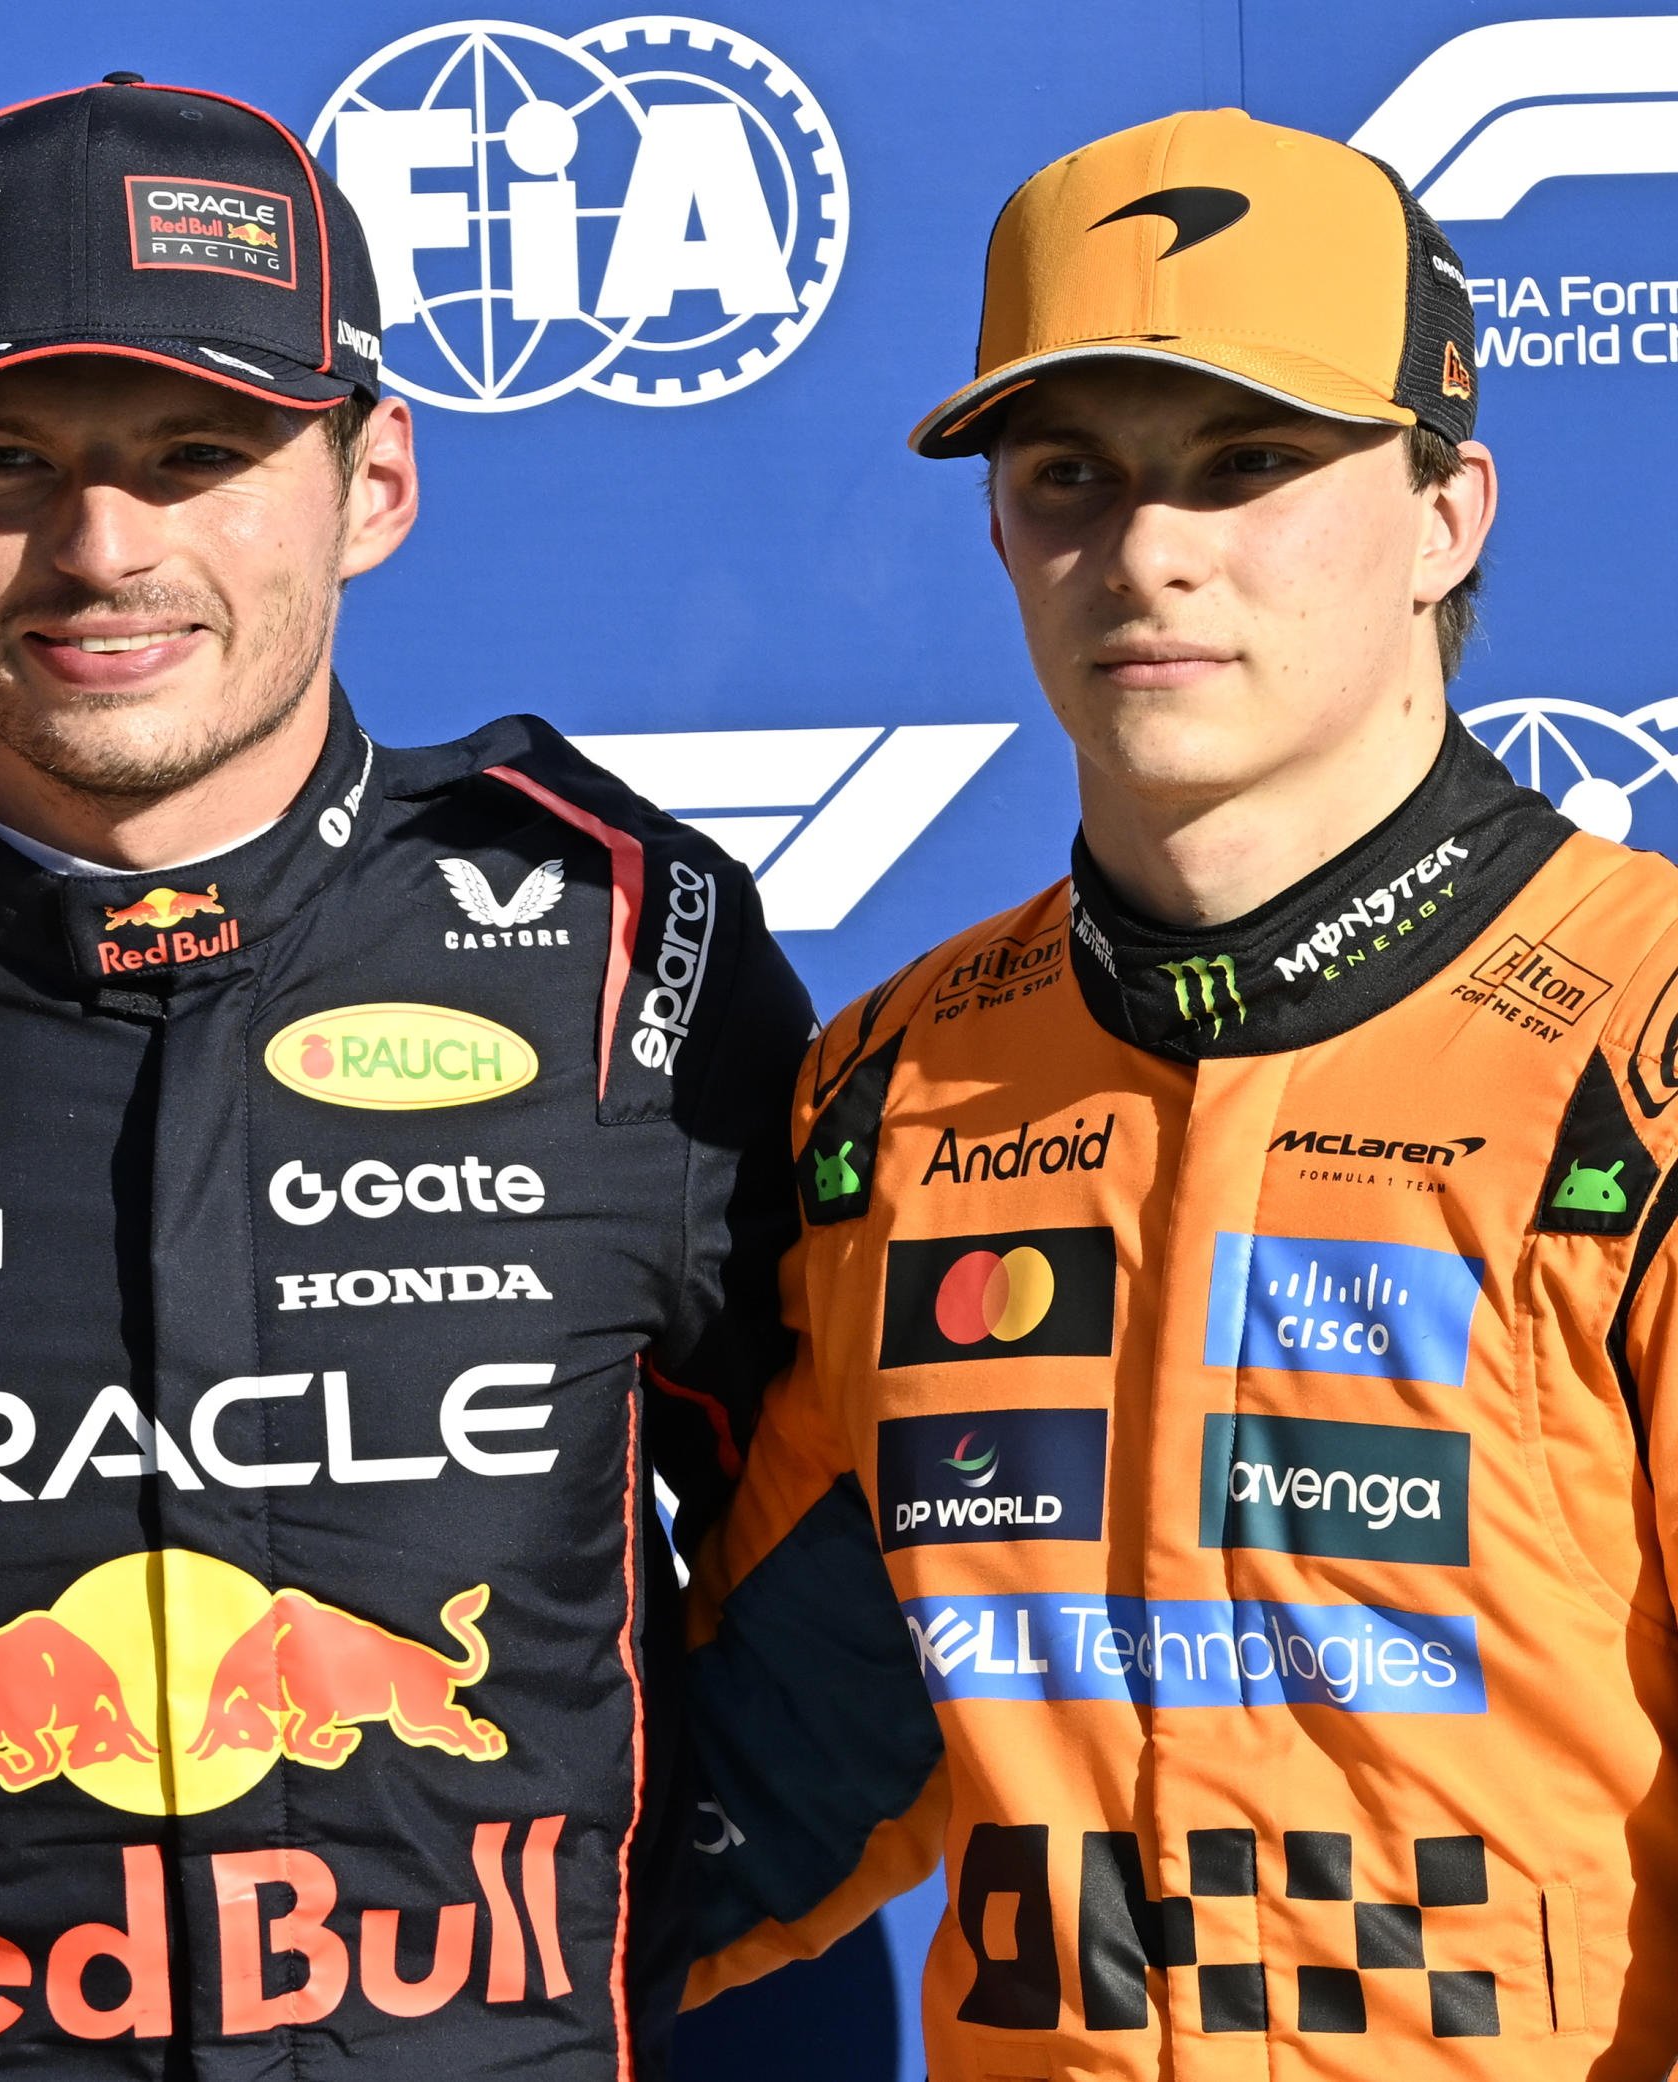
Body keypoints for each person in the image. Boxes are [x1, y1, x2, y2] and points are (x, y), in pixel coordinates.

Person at [0, 71, 816, 2078]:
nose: (99, 546)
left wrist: (594, 1961)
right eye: (8, 458)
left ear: (373, 482)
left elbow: (871, 1549)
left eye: (200, 453)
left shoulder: (627, 938)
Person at [681, 107, 1678, 2073]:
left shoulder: (1639, 1042)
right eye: (1073, 476)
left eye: (1249, 468)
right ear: (999, 530)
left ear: (1446, 514)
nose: (1148, 553)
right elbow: (797, 1750)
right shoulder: (904, 1084)